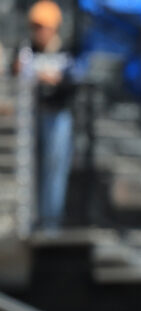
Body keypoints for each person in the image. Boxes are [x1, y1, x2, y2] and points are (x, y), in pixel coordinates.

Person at [12, 1, 79, 231]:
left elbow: (71, 83)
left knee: (54, 169)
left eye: (42, 26)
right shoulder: (26, 50)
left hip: (58, 117)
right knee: (29, 169)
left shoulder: (66, 51)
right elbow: (16, 76)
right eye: (35, 26)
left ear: (54, 27)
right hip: (31, 118)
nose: (38, 31)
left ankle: (51, 224)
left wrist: (51, 78)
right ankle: (29, 222)